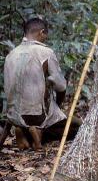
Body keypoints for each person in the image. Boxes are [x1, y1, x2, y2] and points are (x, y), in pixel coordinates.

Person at [4, 18, 81, 151]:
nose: (45, 38)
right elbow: (61, 87)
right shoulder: (45, 52)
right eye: (45, 35)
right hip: (36, 115)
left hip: (13, 115)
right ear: (42, 32)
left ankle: (23, 131)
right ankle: (31, 136)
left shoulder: (11, 54)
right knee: (79, 126)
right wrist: (58, 106)